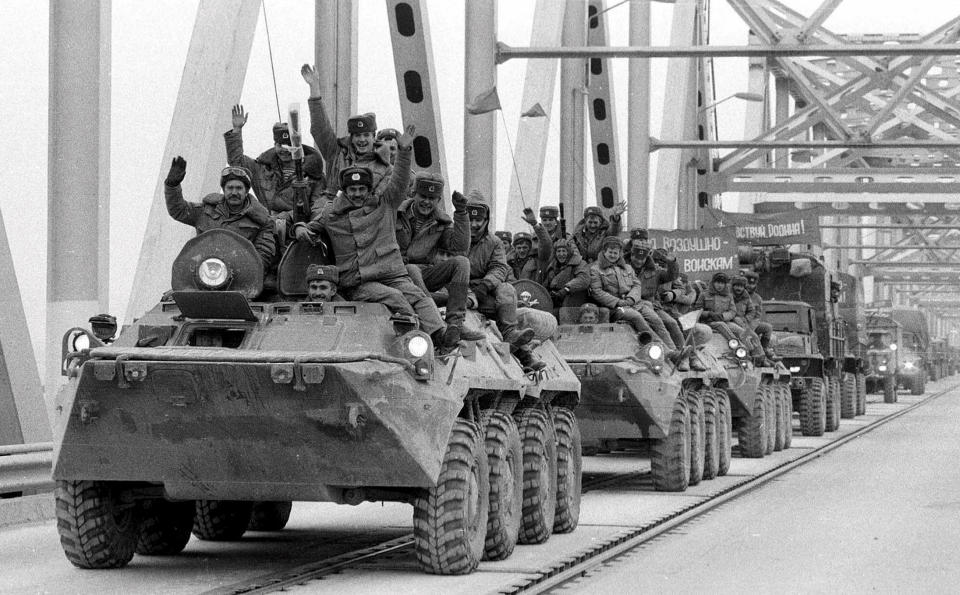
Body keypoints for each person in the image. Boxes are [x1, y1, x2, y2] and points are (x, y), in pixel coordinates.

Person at [305, 125, 460, 354]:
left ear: (369, 189)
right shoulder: (332, 214)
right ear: (345, 191)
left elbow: (399, 180)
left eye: (361, 189)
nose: (357, 194)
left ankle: (441, 335)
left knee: (418, 296)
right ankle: (416, 342)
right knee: (395, 297)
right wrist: (301, 228)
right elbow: (311, 226)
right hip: (358, 281)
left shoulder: (384, 204)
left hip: (391, 273)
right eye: (352, 189)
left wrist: (405, 150)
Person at [396, 172, 484, 341]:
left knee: (462, 263)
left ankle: (455, 324)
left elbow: (460, 248)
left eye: (433, 198)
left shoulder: (441, 221)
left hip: (422, 274)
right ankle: (435, 320)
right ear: (414, 193)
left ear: (438, 200)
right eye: (423, 196)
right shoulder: (396, 212)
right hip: (394, 272)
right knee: (411, 269)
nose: (427, 202)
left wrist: (461, 213)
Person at [466, 190, 545, 370]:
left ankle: (515, 341)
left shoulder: (493, 243)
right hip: (457, 287)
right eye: (470, 219)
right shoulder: (453, 237)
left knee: (507, 290)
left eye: (479, 220)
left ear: (486, 221)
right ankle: (523, 352)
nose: (474, 224)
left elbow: (499, 267)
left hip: (482, 290)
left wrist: (486, 284)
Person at [164, 158, 275, 268]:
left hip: (238, 275)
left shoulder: (262, 221)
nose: (234, 192)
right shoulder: (206, 210)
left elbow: (262, 257)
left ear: (246, 191)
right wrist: (172, 186)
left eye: (239, 188)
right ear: (224, 189)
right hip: (202, 270)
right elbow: (179, 210)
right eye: (230, 188)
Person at [302, 64, 392, 193]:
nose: (362, 139)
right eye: (357, 135)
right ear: (351, 137)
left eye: (366, 135)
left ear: (374, 136)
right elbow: (320, 128)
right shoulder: (337, 154)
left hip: (366, 212)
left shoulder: (385, 166)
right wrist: (314, 90)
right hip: (333, 210)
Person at [223, 104, 327, 216]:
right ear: (274, 145)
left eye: (289, 145)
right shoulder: (261, 168)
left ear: (298, 146)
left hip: (297, 229)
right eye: (280, 145)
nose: (284, 150)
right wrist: (236, 130)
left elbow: (318, 210)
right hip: (265, 226)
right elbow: (236, 161)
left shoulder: (314, 175)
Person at [629, 234, 704, 370]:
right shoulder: (625, 269)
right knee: (665, 321)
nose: (639, 261)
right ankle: (676, 353)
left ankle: (686, 356)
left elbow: (675, 280)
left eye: (643, 258)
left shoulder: (655, 270)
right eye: (636, 257)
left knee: (675, 322)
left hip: (660, 306)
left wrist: (672, 263)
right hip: (639, 304)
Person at [588, 236, 665, 349]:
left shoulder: (627, 268)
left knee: (655, 319)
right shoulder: (596, 269)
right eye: (610, 252)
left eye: (616, 253)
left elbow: (637, 284)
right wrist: (618, 302)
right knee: (636, 317)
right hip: (614, 308)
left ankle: (673, 350)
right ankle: (661, 348)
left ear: (620, 254)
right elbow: (597, 291)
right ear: (604, 252)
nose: (613, 255)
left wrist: (631, 299)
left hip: (633, 303)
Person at [694, 272, 758, 356]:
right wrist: (709, 313)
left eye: (722, 283)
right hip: (709, 322)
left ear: (725, 284)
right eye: (717, 282)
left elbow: (732, 311)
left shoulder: (728, 296)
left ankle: (752, 352)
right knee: (722, 325)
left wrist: (723, 316)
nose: (719, 285)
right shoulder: (704, 294)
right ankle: (737, 348)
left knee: (742, 331)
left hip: (725, 320)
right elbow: (697, 310)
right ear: (713, 283)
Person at [542, 238, 590, 309]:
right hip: (556, 301)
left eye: (564, 251)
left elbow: (583, 280)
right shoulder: (552, 266)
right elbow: (546, 284)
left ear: (569, 252)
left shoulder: (580, 263)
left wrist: (566, 289)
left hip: (574, 301)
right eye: (558, 251)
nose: (561, 254)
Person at [508, 208, 553, 282]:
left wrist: (535, 224)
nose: (522, 250)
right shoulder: (509, 262)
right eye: (519, 248)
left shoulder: (538, 259)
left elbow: (546, 244)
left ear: (530, 248)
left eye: (525, 247)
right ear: (514, 248)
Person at [730, 275, 768, 362]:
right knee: (744, 335)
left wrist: (745, 319)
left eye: (741, 286)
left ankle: (761, 357)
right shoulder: (729, 296)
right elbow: (728, 310)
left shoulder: (747, 297)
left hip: (744, 321)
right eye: (736, 286)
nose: (738, 288)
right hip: (732, 321)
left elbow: (752, 311)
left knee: (754, 335)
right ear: (733, 286)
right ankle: (749, 354)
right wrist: (735, 318)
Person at [743, 270, 776, 361]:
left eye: (752, 284)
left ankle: (764, 348)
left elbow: (757, 316)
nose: (749, 286)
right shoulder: (738, 295)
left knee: (767, 327)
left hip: (751, 324)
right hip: (740, 322)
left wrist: (751, 327)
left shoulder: (757, 298)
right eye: (748, 283)